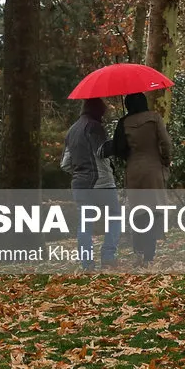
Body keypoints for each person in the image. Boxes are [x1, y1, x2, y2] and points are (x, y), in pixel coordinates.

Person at [61, 98, 121, 270]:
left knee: (85, 224)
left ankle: (87, 264)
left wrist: (80, 171)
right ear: (98, 110)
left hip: (79, 185)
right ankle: (108, 256)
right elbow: (102, 151)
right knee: (115, 216)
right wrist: (119, 141)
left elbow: (65, 164)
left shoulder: (71, 131)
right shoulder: (94, 127)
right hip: (101, 182)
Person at [113, 92, 173, 264]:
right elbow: (166, 142)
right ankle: (149, 254)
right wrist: (165, 160)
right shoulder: (154, 118)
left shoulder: (124, 122)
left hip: (133, 170)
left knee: (138, 212)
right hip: (154, 169)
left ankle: (138, 250)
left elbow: (118, 149)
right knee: (153, 211)